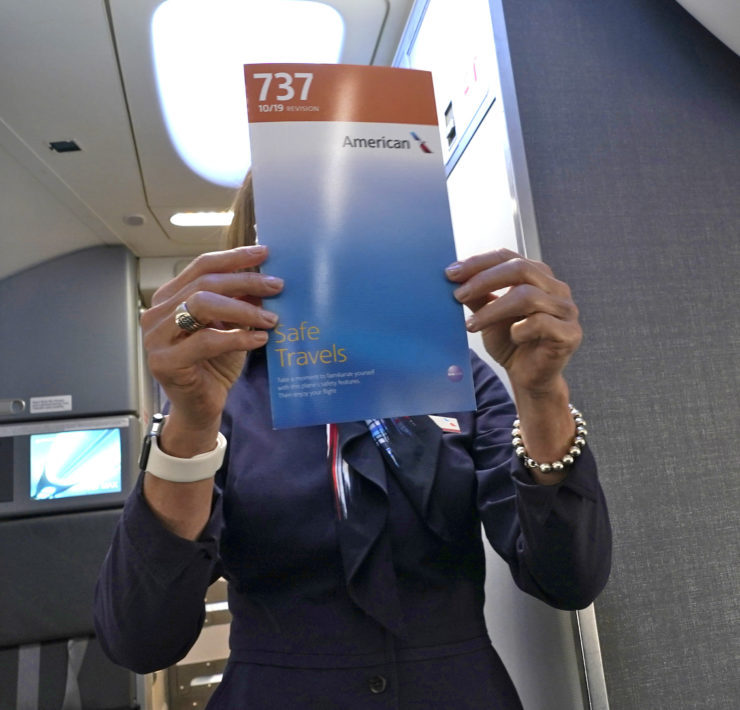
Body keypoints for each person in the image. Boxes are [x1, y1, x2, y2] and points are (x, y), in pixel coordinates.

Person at [94, 173, 611, 709]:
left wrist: (542, 394)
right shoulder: (221, 388)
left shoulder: (453, 376)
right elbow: (140, 637)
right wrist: (191, 423)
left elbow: (567, 579)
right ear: (257, 243)